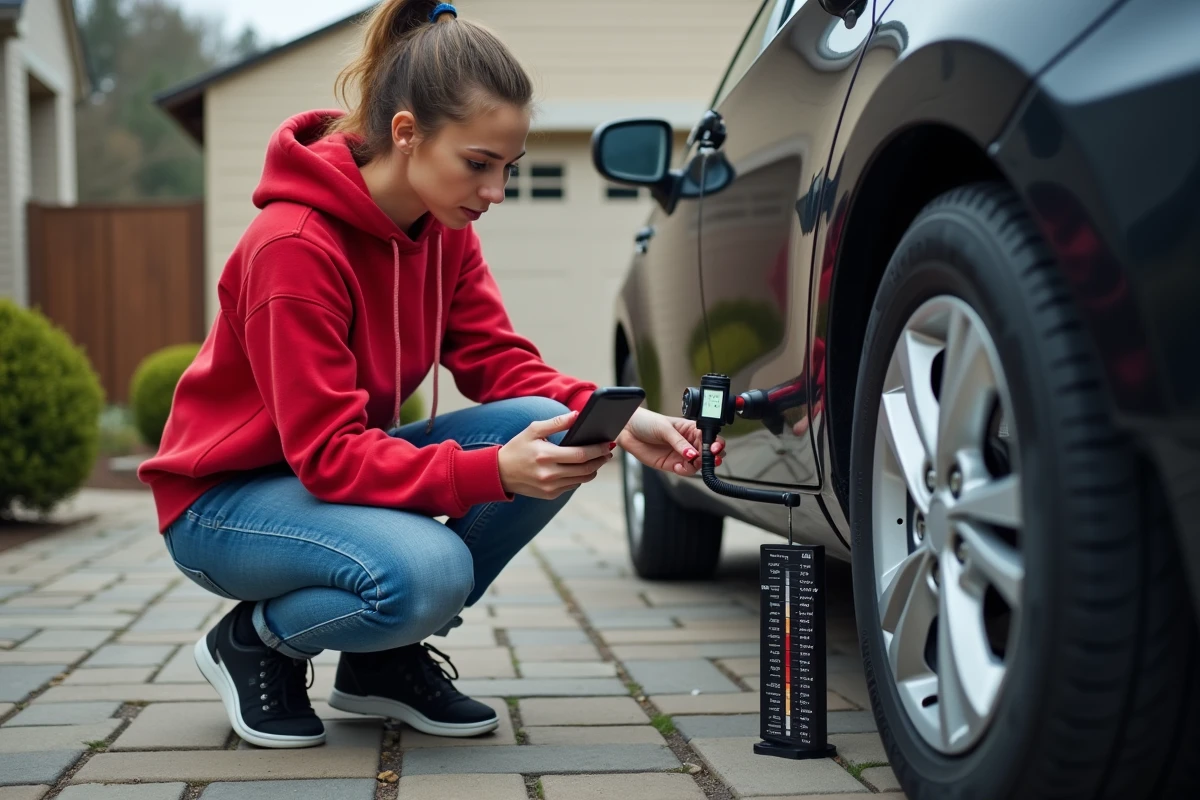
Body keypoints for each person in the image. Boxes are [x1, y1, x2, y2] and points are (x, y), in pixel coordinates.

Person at [137, 0, 726, 750]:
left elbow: (499, 365)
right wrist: (489, 473)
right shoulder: (295, 247)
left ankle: (378, 663)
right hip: (221, 507)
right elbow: (327, 454)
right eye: (477, 164)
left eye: (507, 169)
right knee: (431, 570)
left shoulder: (440, 227)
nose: (494, 192)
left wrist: (629, 422)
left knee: (538, 420)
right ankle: (255, 642)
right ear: (407, 133)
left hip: (320, 485)